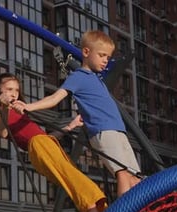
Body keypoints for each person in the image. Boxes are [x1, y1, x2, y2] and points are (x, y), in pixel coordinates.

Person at [11, 30, 141, 197]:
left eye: (108, 57)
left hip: (118, 130)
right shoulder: (78, 77)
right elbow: (55, 98)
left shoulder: (95, 78)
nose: (105, 61)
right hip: (103, 130)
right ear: (86, 52)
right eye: (102, 55)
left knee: (136, 178)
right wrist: (29, 107)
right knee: (123, 173)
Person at [0, 73, 106, 212]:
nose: (14, 93)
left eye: (16, 90)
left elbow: (46, 137)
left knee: (75, 183)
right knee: (78, 183)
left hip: (47, 143)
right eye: (9, 89)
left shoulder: (20, 112)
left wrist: (70, 126)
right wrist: (4, 106)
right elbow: (3, 133)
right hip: (39, 146)